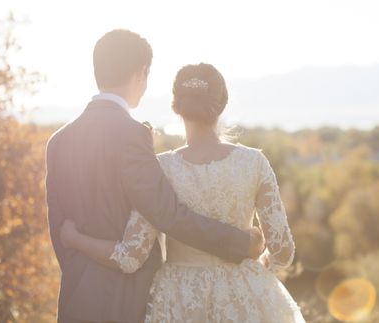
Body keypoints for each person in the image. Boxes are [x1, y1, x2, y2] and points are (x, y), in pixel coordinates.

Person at [45, 30, 265, 323]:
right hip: (127, 301)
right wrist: (240, 242)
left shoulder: (58, 141)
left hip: (76, 298)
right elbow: (168, 214)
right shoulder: (131, 134)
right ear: (141, 73)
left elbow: (59, 230)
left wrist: (83, 274)